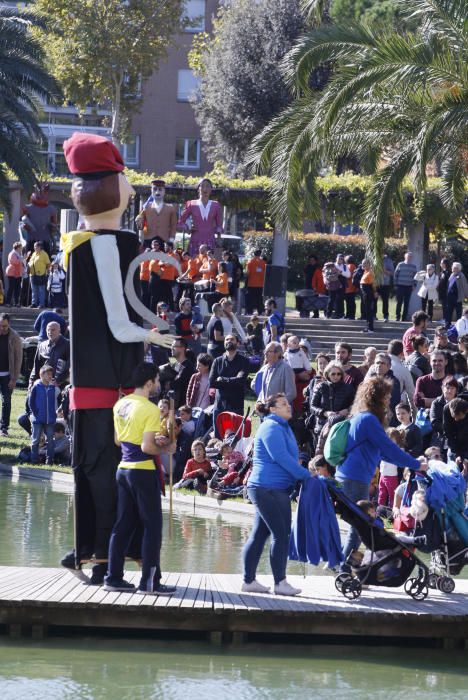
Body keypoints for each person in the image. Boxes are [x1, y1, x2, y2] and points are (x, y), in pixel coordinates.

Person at [60, 133, 167, 584]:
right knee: (112, 476)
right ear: (115, 188)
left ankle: (96, 552)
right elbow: (118, 324)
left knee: (97, 471)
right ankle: (107, 557)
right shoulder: (103, 244)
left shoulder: (80, 243)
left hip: (93, 384)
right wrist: (158, 338)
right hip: (112, 386)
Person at [104, 363, 176, 595]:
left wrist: (154, 441)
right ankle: (149, 582)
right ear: (148, 383)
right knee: (152, 527)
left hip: (123, 468)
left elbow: (118, 440)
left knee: (122, 525)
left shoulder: (120, 404)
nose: (157, 385)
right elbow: (147, 446)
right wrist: (167, 447)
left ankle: (113, 577)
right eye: (156, 381)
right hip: (142, 471)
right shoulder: (150, 408)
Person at [336, 377, 422, 570]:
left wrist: (410, 462)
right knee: (360, 527)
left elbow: (383, 452)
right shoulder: (369, 420)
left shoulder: (361, 417)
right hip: (355, 477)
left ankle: (344, 565)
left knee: (358, 526)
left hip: (352, 475)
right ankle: (343, 567)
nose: (389, 398)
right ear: (378, 397)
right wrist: (416, 464)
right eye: (387, 394)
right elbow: (388, 449)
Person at [242, 393, 311, 596]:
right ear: (272, 409)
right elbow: (281, 458)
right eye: (283, 404)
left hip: (270, 488)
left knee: (260, 534)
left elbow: (289, 457)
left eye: (288, 403)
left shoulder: (281, 426)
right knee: (281, 535)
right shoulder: (271, 427)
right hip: (268, 489)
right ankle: (280, 583)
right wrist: (305, 475)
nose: (288, 406)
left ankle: (249, 581)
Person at [309, 361, 355, 446]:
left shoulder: (348, 388)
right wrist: (325, 413)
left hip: (341, 426)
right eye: (333, 374)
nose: (336, 376)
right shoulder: (320, 387)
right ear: (328, 374)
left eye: (338, 374)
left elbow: (355, 405)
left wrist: (347, 410)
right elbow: (312, 406)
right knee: (320, 455)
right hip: (322, 425)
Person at [209, 334, 250, 429]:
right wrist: (233, 380)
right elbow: (212, 382)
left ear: (238, 343)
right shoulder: (217, 361)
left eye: (232, 339)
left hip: (236, 405)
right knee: (218, 437)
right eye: (226, 340)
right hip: (219, 406)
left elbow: (240, 380)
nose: (229, 341)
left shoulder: (244, 361)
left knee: (235, 437)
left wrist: (222, 379)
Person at [178, 178, 223, 255]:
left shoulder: (216, 205)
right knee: (194, 265)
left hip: (210, 241)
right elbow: (180, 222)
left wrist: (219, 238)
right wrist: (188, 229)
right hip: (195, 241)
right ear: (198, 189)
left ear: (211, 189)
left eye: (208, 186)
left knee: (209, 265)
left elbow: (219, 225)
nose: (205, 189)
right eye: (202, 186)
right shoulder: (191, 204)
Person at [29, 365, 60, 465]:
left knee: (50, 440)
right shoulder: (36, 386)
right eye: (48, 374)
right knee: (36, 440)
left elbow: (58, 396)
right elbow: (31, 401)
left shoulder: (52, 387)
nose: (50, 376)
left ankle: (49, 460)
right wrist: (35, 412)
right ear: (41, 375)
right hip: (38, 418)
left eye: (51, 374)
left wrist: (55, 386)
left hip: (50, 419)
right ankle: (34, 460)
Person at [252, 341, 297, 405]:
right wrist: (259, 401)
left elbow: (291, 393)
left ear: (278, 353)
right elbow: (261, 390)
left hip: (280, 412)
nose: (265, 353)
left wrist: (276, 405)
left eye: (269, 351)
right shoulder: (265, 368)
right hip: (265, 411)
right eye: (265, 351)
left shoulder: (286, 368)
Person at [135, 179, 177, 246]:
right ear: (151, 191)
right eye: (155, 189)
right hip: (149, 240)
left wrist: (171, 239)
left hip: (165, 241)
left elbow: (173, 225)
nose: (157, 192)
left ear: (164, 191)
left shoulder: (171, 208)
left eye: (160, 189)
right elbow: (142, 226)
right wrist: (139, 222)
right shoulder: (146, 207)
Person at [29, 321, 70, 389]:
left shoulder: (68, 345)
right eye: (48, 330)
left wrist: (57, 381)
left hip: (61, 386)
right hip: (43, 385)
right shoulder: (42, 345)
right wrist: (31, 382)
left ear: (59, 330)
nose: (50, 332)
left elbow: (69, 367)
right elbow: (36, 367)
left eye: (53, 330)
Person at [0, 313, 23, 437]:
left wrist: (14, 378)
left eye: (5, 326)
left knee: (6, 401)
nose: (2, 328)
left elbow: (18, 359)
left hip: (7, 375)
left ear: (9, 325)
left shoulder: (14, 337)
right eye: (0, 326)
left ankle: (3, 428)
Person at [366, 352, 400, 425]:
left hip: (386, 418)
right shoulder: (370, 379)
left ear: (389, 366)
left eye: (382, 363)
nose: (379, 365)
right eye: (377, 363)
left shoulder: (393, 382)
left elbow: (393, 401)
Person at [378, 428, 406, 507]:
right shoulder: (385, 447)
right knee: (381, 493)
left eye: (391, 439)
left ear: (397, 440)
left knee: (392, 495)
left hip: (391, 476)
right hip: (383, 474)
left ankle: (392, 511)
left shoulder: (399, 449)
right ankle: (380, 509)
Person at [430, 377, 458, 451]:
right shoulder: (436, 403)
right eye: (447, 388)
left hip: (457, 439)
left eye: (452, 388)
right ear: (442, 388)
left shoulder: (461, 403)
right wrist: (449, 431)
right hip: (439, 438)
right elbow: (434, 423)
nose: (449, 391)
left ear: (456, 390)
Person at [387, 340, 415, 408]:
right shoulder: (403, 370)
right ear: (402, 353)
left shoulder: (374, 366)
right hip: (395, 408)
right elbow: (411, 394)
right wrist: (414, 416)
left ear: (387, 351)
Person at [394, 251, 417, 322]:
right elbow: (395, 275)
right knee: (399, 302)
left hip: (409, 287)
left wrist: (414, 285)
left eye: (410, 257)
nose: (409, 258)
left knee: (406, 303)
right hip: (400, 286)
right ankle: (397, 317)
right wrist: (395, 284)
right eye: (408, 256)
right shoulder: (400, 264)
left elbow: (416, 277)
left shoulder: (414, 266)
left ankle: (404, 318)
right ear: (405, 257)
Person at [443, 398, 468, 463]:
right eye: (453, 417)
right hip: (454, 438)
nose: (456, 419)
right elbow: (448, 432)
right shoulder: (446, 409)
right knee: (451, 455)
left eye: (459, 417)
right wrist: (456, 453)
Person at [27, 241, 50, 308]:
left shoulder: (44, 254)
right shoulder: (34, 254)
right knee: (34, 290)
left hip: (41, 275)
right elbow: (30, 262)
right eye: (34, 246)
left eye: (36, 246)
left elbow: (48, 264)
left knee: (41, 290)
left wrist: (46, 272)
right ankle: (34, 303)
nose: (34, 248)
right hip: (33, 274)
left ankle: (41, 304)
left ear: (40, 247)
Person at [446, 262, 468, 326]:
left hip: (457, 298)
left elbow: (465, 286)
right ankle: (447, 325)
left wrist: (467, 296)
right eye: (452, 267)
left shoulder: (461, 275)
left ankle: (459, 326)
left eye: (454, 267)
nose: (452, 268)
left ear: (458, 269)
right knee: (449, 312)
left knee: (458, 313)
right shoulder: (452, 275)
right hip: (450, 297)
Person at [245, 249, 266, 314]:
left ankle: (249, 311)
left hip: (251, 284)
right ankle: (260, 311)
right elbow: (265, 273)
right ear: (260, 255)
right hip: (260, 284)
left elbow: (247, 273)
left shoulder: (250, 262)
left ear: (254, 254)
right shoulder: (263, 263)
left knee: (250, 299)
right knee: (259, 299)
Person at [360, 258, 377, 333]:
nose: (363, 265)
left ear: (369, 264)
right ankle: (368, 327)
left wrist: (375, 292)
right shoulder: (365, 272)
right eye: (362, 263)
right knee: (366, 311)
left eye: (365, 263)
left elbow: (373, 284)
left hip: (368, 293)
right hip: (364, 293)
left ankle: (370, 328)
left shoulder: (370, 272)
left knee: (369, 311)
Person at [5, 241, 25, 307]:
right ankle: (7, 302)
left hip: (18, 274)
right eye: (21, 247)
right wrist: (21, 259)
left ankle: (16, 303)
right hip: (12, 273)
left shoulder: (19, 254)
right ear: (17, 248)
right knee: (11, 288)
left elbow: (21, 263)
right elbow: (14, 262)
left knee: (17, 289)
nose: (21, 249)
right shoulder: (12, 253)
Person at [377, 253, 394, 322]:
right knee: (374, 300)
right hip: (376, 284)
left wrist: (384, 270)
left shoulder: (388, 261)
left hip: (385, 284)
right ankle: (373, 315)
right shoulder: (374, 258)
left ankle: (385, 316)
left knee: (385, 301)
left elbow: (392, 272)